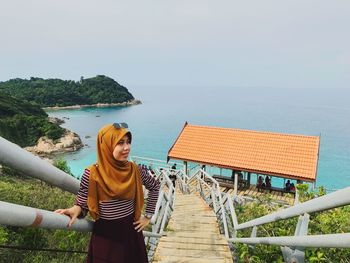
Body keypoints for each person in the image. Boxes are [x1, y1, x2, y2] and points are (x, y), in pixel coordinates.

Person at [55, 123, 160, 263]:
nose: (127, 147)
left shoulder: (135, 170)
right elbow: (84, 199)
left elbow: (154, 186)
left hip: (131, 233)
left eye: (128, 142)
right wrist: (76, 209)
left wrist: (147, 217)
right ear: (106, 145)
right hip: (106, 236)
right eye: (120, 143)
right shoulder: (92, 173)